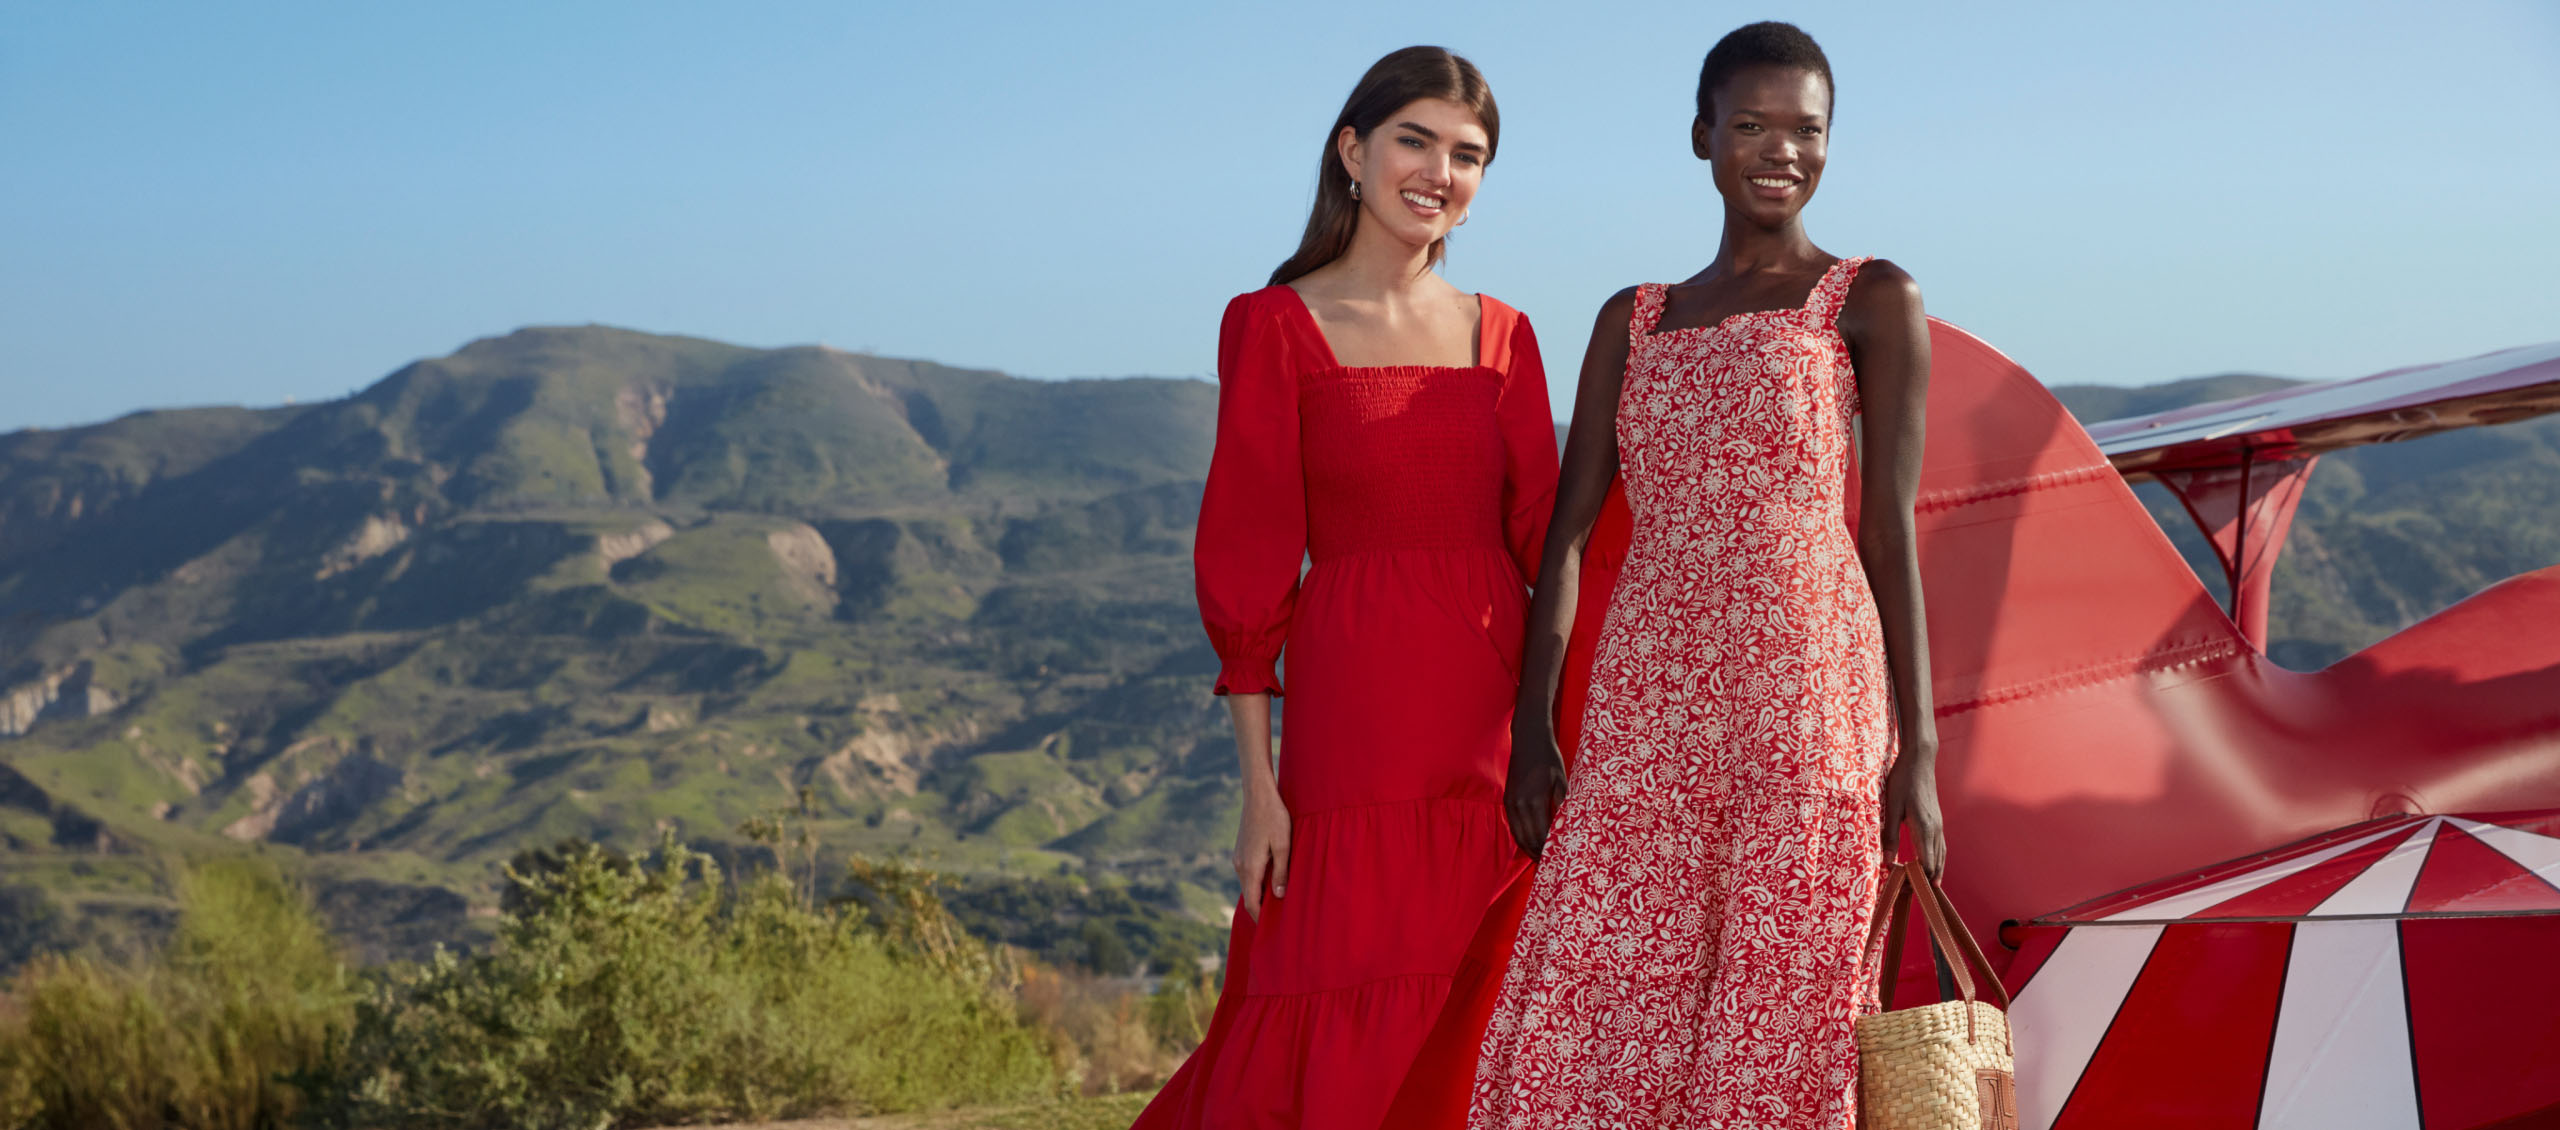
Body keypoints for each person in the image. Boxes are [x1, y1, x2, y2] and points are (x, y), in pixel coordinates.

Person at [1470, 22, 1943, 1130]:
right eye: (1752, 124)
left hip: (1810, 698)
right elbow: (1571, 537)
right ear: (1702, 136)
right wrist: (1535, 726)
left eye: (1806, 129)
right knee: (1600, 988)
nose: (1780, 150)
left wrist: (1916, 745)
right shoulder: (1632, 320)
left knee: (1788, 1003)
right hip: (1648, 705)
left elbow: (1889, 536)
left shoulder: (1870, 298)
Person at [1131, 45, 1559, 1130]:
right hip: (1353, 714)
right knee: (1332, 969)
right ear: (1353, 150)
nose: (1439, 171)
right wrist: (1257, 785)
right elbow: (1246, 554)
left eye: (1468, 154)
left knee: (1481, 990)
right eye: (1414, 140)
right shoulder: (1273, 323)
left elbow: (1547, 540)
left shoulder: (1505, 333)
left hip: (1490, 721)